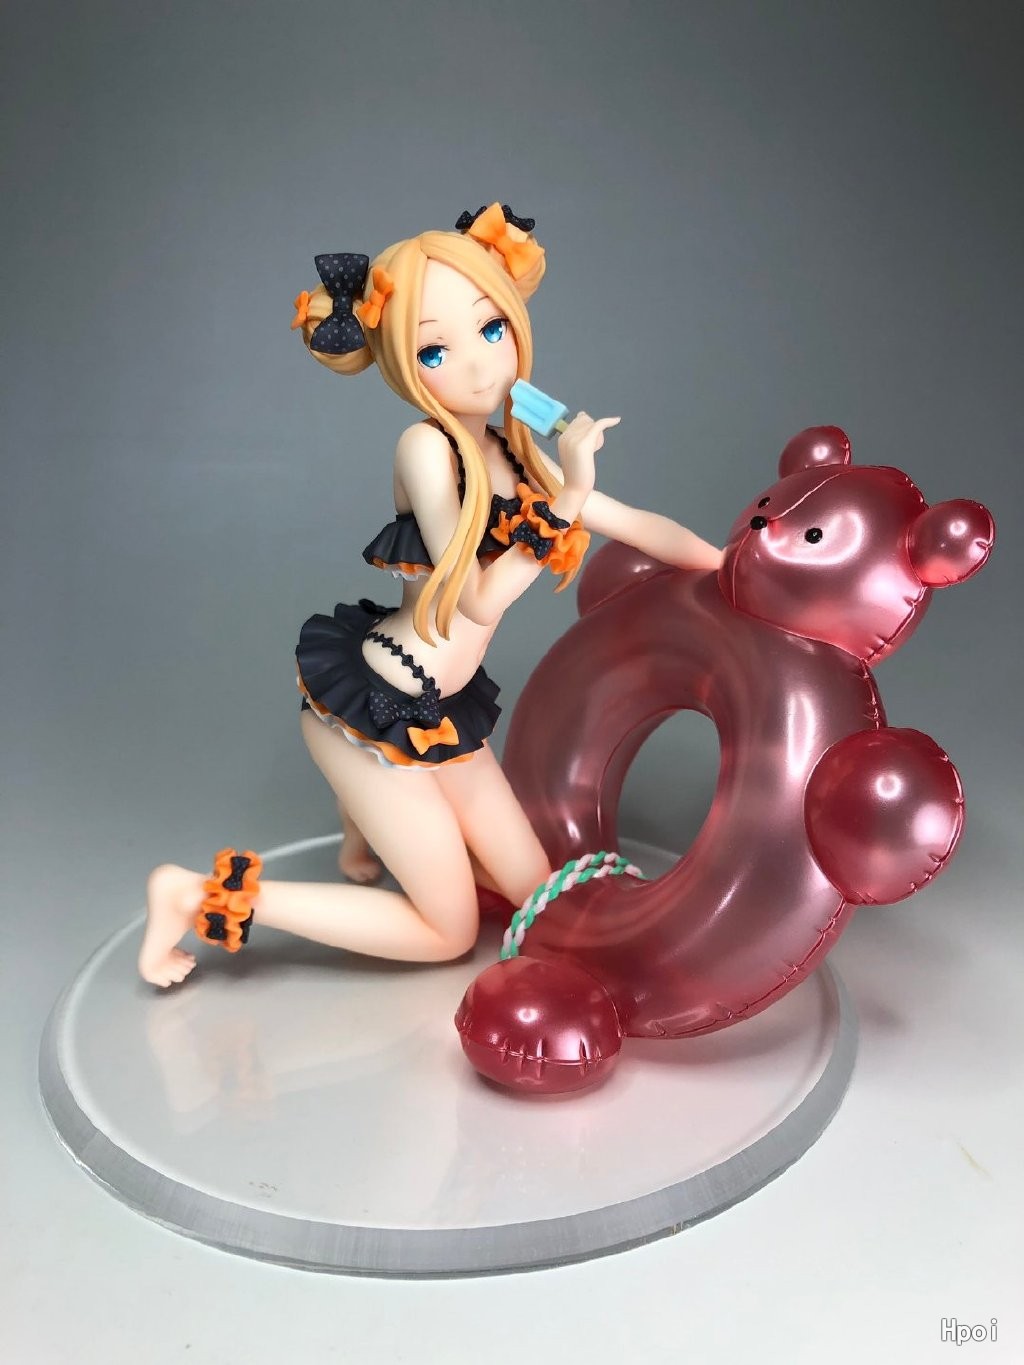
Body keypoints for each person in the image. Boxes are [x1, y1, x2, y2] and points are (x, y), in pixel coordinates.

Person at [138, 203, 722, 987]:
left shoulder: (515, 451)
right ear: (402, 365)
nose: (480, 368)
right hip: (374, 707)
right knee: (448, 933)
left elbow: (638, 524)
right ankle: (189, 894)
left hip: (441, 714)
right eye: (436, 349)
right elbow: (473, 598)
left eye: (491, 329)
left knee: (538, 892)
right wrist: (569, 498)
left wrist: (730, 565)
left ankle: (364, 835)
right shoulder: (425, 448)